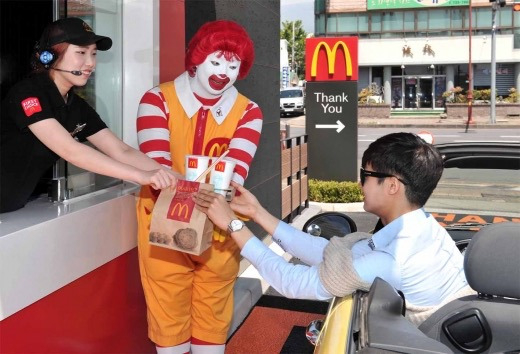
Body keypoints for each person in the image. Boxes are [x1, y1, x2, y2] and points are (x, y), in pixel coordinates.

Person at [193, 132, 471, 325]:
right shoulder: (422, 228)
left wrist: (232, 224)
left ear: (392, 185)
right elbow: (326, 252)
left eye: (366, 175)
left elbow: (294, 282)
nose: (360, 184)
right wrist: (256, 212)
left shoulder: (393, 259)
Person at [135, 20, 263, 353]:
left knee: (213, 322)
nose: (224, 72)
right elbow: (159, 169)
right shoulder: (156, 100)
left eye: (233, 65)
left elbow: (234, 174)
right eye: (217, 61)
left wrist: (210, 186)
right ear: (196, 59)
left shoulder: (248, 111)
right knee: (169, 322)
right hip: (164, 226)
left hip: (220, 230)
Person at [0, 17, 177, 213]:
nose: (90, 63)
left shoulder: (76, 106)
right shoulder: (28, 93)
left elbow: (121, 151)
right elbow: (71, 151)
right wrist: (141, 176)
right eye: (81, 53)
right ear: (49, 56)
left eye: (93, 54)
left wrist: (176, 177)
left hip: (11, 207)